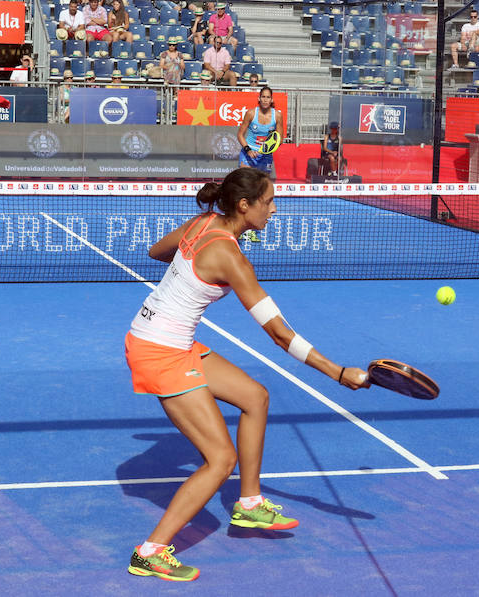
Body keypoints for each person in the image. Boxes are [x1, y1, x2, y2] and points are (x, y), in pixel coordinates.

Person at [123, 168, 369, 582]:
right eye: (268, 202)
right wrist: (337, 372)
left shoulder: (201, 223)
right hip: (160, 351)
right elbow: (278, 333)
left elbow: (156, 252)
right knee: (220, 459)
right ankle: (150, 552)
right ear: (244, 205)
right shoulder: (231, 258)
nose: (274, 210)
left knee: (255, 397)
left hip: (162, 338)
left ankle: (250, 504)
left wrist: (188, 272)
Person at [237, 86, 283, 177]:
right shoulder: (250, 113)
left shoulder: (277, 116)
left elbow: (280, 139)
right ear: (259, 98)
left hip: (265, 154)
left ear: (272, 100)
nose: (265, 100)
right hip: (248, 153)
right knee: (245, 183)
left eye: (268, 97)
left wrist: (265, 149)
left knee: (263, 186)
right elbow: (240, 135)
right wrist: (248, 150)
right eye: (263, 97)